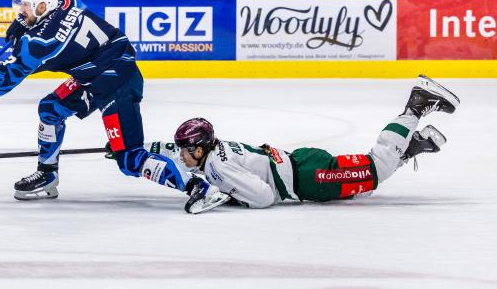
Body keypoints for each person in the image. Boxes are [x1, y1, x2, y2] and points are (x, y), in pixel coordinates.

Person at [0, 0, 228, 213]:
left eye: (25, 7)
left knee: (129, 159)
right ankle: (47, 176)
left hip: (118, 81)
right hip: (94, 73)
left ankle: (199, 189)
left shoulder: (42, 44)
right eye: (19, 7)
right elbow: (46, 19)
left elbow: (5, 79)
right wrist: (22, 25)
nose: (20, 12)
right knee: (50, 109)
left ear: (42, 6)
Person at [146, 75, 459, 213]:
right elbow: (174, 150)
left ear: (199, 149)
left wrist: (228, 196)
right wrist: (144, 149)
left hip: (311, 178)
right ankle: (414, 145)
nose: (182, 155)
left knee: (376, 169)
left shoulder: (215, 167)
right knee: (363, 186)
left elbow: (264, 197)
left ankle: (416, 104)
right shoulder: (215, 147)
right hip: (302, 163)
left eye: (185, 150)